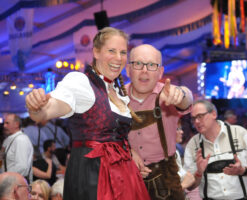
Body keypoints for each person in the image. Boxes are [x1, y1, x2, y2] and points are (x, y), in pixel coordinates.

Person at [25, 27, 150, 200]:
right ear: (96, 52)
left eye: (122, 52)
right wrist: (36, 107)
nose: (119, 58)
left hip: (124, 176)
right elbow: (47, 111)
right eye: (111, 51)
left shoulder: (118, 91)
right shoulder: (81, 82)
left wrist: (129, 152)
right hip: (93, 175)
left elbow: (116, 135)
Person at [125, 44, 193, 200]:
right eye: (138, 64)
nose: (144, 70)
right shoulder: (116, 99)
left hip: (165, 181)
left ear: (160, 72)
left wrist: (181, 94)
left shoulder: (168, 93)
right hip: (126, 179)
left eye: (151, 65)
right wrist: (128, 154)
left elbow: (187, 99)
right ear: (128, 70)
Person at [184, 100, 247, 200]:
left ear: (213, 114)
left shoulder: (239, 133)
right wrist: (199, 173)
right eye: (193, 119)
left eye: (200, 116)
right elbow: (190, 186)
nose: (196, 122)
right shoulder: (193, 144)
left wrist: (243, 170)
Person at [1, 113, 33, 182]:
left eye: (7, 123)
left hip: (16, 184)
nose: (4, 126)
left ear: (16, 124)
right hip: (9, 182)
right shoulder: (9, 139)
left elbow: (22, 167)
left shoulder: (21, 140)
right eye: (4, 123)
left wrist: (4, 177)